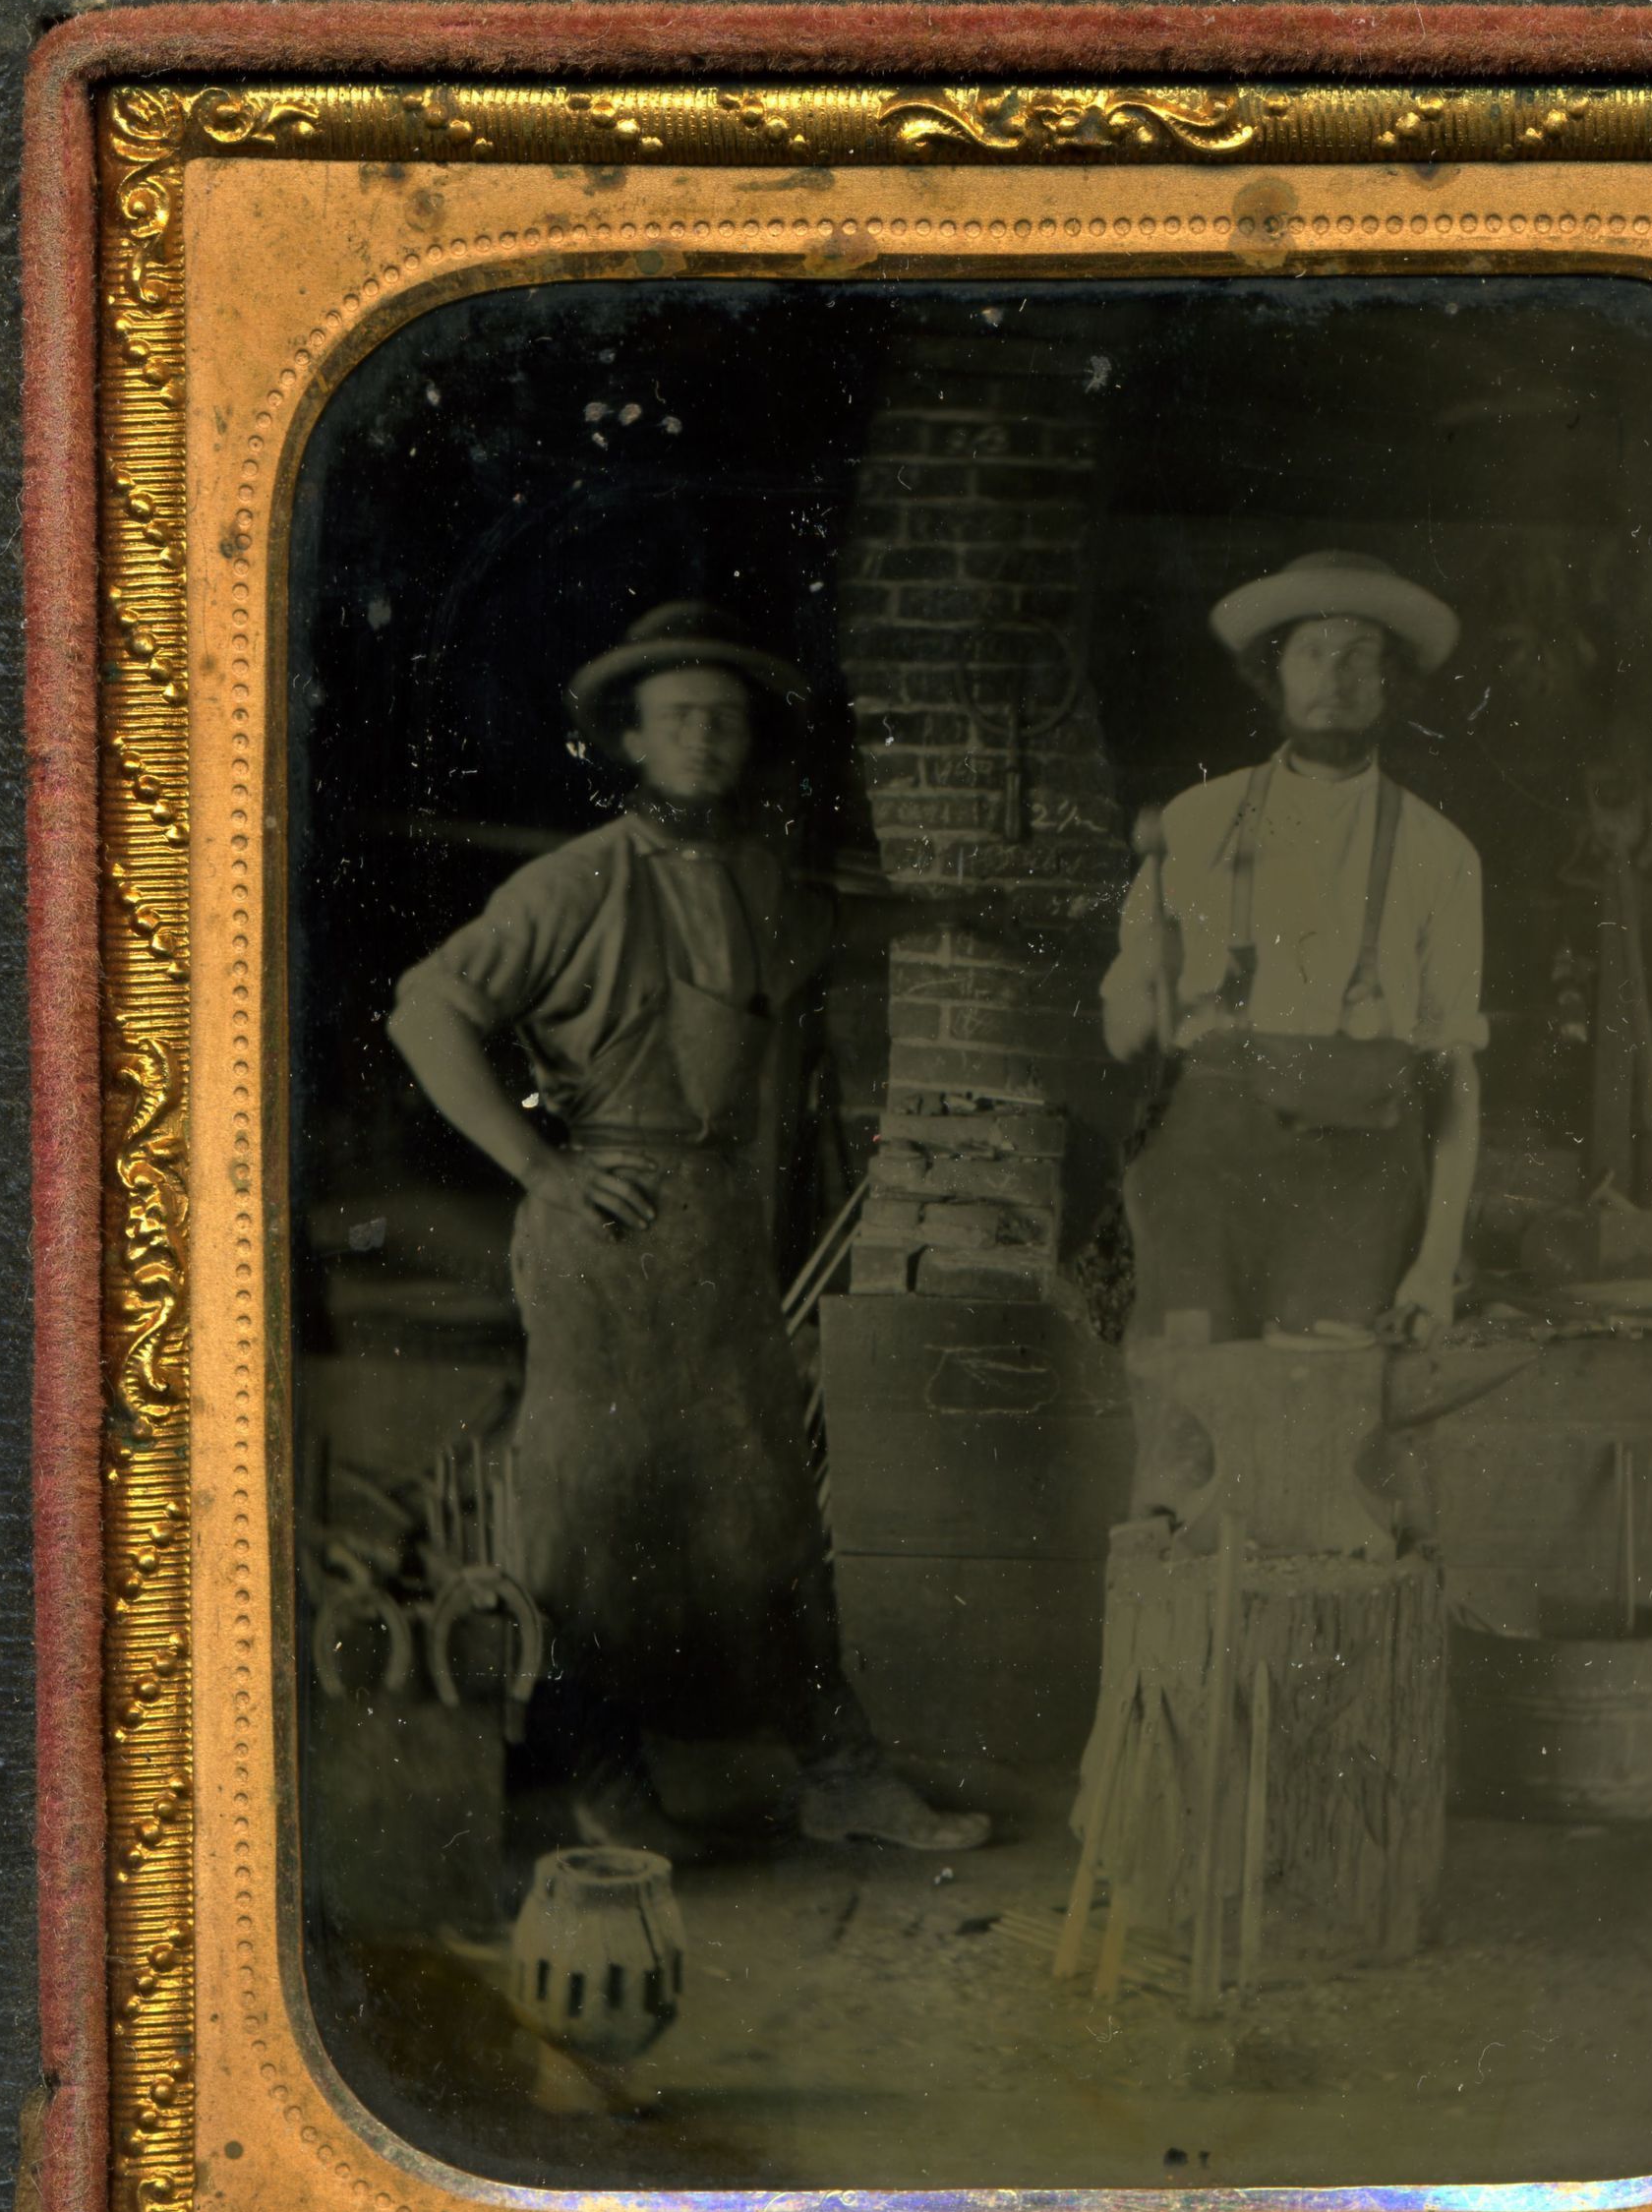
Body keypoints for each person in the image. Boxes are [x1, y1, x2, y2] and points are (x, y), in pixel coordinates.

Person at [388, 599, 989, 1858]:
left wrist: (960, 915)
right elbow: (426, 1012)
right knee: (593, 1510)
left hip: (717, 1247)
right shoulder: (575, 882)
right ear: (633, 740)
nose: (703, 740)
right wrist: (539, 1170)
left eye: (722, 719)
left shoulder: (763, 881)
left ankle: (838, 1773)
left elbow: (837, 928)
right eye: (677, 721)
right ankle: (603, 1779)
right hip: (600, 1239)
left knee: (766, 1511)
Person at [1098, 552, 1486, 1506]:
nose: (1335, 677)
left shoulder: (1441, 855)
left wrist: (1435, 1266)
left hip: (1355, 1182)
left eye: (1360, 657)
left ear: (1391, 682)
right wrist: (1134, 1006)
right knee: (1184, 1446)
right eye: (1312, 653)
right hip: (1204, 1176)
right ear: (1274, 672)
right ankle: (1179, 1646)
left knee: (1334, 1451)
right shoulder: (1194, 823)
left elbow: (1455, 1080)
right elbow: (1121, 1026)